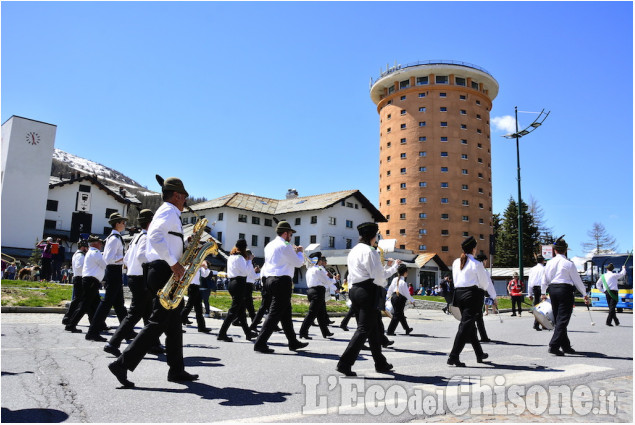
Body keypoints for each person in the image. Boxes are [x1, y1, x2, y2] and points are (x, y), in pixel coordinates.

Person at [108, 176, 198, 388]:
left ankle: (176, 370)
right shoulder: (167, 211)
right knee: (158, 321)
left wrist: (187, 243)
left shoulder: (171, 214)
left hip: (163, 268)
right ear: (176, 195)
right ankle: (122, 363)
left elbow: (166, 239)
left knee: (174, 322)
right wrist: (174, 264)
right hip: (162, 270)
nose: (185, 199)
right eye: (184, 196)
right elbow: (155, 237)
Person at [336, 222, 397, 377]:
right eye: (376, 235)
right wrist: (394, 268)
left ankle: (380, 362)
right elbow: (379, 277)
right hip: (368, 290)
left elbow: (351, 274)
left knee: (374, 328)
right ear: (373, 236)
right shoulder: (371, 251)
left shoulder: (354, 250)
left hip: (355, 289)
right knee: (363, 329)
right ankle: (344, 363)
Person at [104, 209, 163, 356]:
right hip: (140, 277)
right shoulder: (146, 237)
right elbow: (141, 256)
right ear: (151, 223)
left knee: (149, 313)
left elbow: (127, 257)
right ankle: (113, 343)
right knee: (135, 314)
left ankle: (153, 344)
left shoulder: (138, 236)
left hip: (135, 276)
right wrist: (156, 263)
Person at [253, 221, 308, 354]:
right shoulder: (286, 245)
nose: (291, 236)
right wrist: (300, 252)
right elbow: (298, 262)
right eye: (290, 234)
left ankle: (293, 342)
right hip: (282, 281)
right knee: (275, 313)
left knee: (286, 313)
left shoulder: (270, 245)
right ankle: (260, 343)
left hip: (270, 279)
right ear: (285, 233)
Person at [448, 236, 497, 367]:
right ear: (473, 249)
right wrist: (492, 295)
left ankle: (479, 353)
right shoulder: (476, 264)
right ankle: (453, 356)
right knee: (465, 326)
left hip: (458, 295)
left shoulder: (456, 262)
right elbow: (484, 283)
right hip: (472, 295)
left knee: (469, 325)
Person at [541, 236, 590, 356]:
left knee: (559, 318)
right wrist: (584, 294)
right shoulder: (569, 263)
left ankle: (566, 346)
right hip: (565, 290)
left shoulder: (549, 263)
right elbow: (577, 281)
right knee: (563, 319)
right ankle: (554, 345)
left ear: (555, 250)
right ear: (565, 250)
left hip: (553, 290)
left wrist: (543, 292)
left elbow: (544, 279)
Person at [86, 212, 129, 342]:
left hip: (116, 271)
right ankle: (92, 331)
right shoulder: (114, 239)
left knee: (119, 304)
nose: (124, 224)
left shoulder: (116, 237)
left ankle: (127, 330)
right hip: (113, 271)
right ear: (117, 224)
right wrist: (124, 258)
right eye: (122, 222)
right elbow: (108, 259)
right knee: (106, 304)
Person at [217, 239, 257, 342]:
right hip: (239, 283)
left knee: (241, 311)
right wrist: (249, 260)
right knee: (233, 311)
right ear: (244, 248)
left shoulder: (231, 257)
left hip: (232, 282)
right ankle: (222, 333)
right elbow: (246, 272)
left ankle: (248, 333)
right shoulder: (240, 258)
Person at [65, 235, 107, 333]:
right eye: (99, 243)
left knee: (95, 304)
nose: (101, 245)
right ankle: (71, 324)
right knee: (84, 305)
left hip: (91, 281)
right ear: (95, 244)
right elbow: (104, 264)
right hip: (91, 281)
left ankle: (99, 324)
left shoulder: (90, 252)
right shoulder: (95, 252)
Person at [299, 252, 337, 340]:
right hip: (318, 292)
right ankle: (303, 332)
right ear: (318, 261)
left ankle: (325, 332)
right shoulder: (318, 269)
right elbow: (326, 281)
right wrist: (334, 279)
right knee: (312, 314)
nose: (321, 261)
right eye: (320, 260)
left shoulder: (310, 269)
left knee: (321, 313)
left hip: (312, 291)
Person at [62, 239, 89, 326]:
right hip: (80, 278)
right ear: (83, 247)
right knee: (78, 300)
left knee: (79, 300)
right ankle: (68, 317)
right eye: (86, 247)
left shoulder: (78, 254)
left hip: (78, 278)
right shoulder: (80, 255)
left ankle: (69, 317)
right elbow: (79, 266)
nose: (87, 249)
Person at [181, 260, 212, 333]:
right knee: (189, 306)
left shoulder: (199, 266)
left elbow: (205, 275)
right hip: (192, 286)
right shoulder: (190, 264)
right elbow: (187, 272)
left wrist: (205, 266)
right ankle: (177, 325)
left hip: (197, 287)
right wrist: (197, 265)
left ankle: (201, 327)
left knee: (199, 308)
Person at [386, 264, 415, 336]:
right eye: (407, 272)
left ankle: (407, 329)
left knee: (400, 314)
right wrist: (412, 300)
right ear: (404, 273)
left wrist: (387, 296)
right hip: (400, 299)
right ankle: (390, 331)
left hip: (394, 297)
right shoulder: (403, 283)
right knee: (397, 315)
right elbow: (406, 294)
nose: (407, 273)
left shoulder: (394, 279)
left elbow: (390, 289)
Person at [528, 255, 546, 331]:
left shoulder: (532, 269)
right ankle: (538, 324)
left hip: (535, 288)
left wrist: (530, 294)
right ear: (543, 261)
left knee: (536, 307)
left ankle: (540, 324)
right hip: (542, 289)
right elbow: (546, 281)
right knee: (543, 307)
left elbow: (530, 282)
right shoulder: (545, 269)